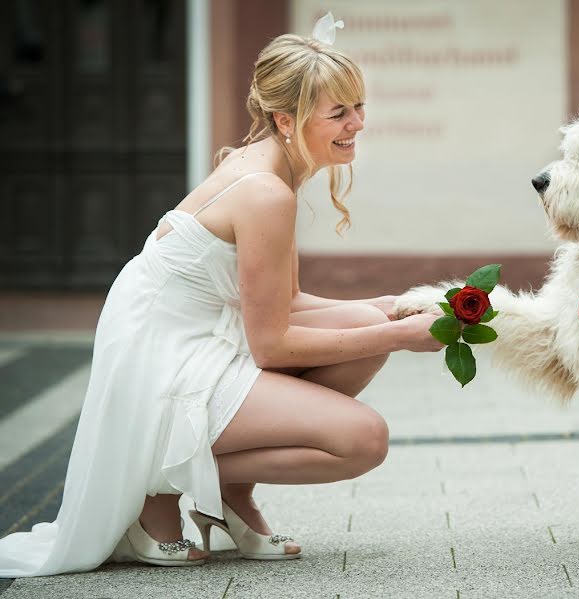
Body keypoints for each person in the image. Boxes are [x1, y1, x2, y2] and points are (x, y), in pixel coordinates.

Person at [0, 20, 443, 577]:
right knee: (363, 439)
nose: (357, 124)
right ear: (286, 120)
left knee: (360, 330)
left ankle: (231, 496)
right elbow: (272, 345)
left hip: (198, 329)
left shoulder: (274, 168)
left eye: (358, 106)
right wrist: (400, 336)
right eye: (339, 113)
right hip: (163, 354)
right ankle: (153, 491)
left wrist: (388, 306)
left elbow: (288, 301)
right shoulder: (264, 193)